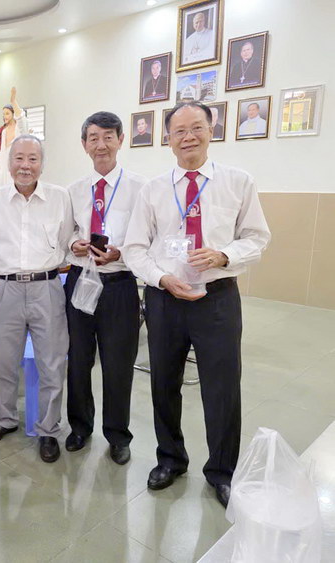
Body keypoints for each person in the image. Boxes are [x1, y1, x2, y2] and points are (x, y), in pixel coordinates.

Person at [122, 101, 271, 508]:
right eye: (179, 130)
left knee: (222, 388)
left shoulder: (237, 181)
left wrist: (224, 255)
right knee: (163, 383)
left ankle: (222, 471)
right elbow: (135, 248)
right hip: (164, 298)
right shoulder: (153, 189)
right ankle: (170, 459)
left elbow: (257, 237)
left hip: (217, 299)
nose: (188, 137)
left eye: (197, 128)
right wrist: (161, 278)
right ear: (168, 138)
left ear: (211, 130)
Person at [0, 135, 74, 463]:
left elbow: (66, 241)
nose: (25, 166)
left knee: (51, 363)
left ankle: (48, 429)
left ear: (42, 164)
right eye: (19, 158)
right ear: (9, 163)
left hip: (46, 287)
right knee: (3, 361)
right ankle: (4, 419)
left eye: (32, 159)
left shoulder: (60, 198)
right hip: (6, 288)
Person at [64, 112, 145, 464]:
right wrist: (75, 244)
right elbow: (66, 234)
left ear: (120, 140)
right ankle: (80, 427)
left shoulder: (140, 188)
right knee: (78, 360)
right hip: (80, 280)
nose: (101, 145)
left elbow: (146, 238)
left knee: (118, 364)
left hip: (119, 285)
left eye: (108, 137)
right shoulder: (73, 191)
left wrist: (121, 252)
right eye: (94, 138)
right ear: (84, 144)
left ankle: (118, 435)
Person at [0, 87, 29, 188]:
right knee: (1, 191)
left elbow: (21, 119)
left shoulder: (20, 129)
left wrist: (13, 101)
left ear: (13, 114)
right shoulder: (4, 131)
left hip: (16, 167)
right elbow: (4, 152)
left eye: (7, 113)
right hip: (3, 170)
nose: (4, 116)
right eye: (3, 114)